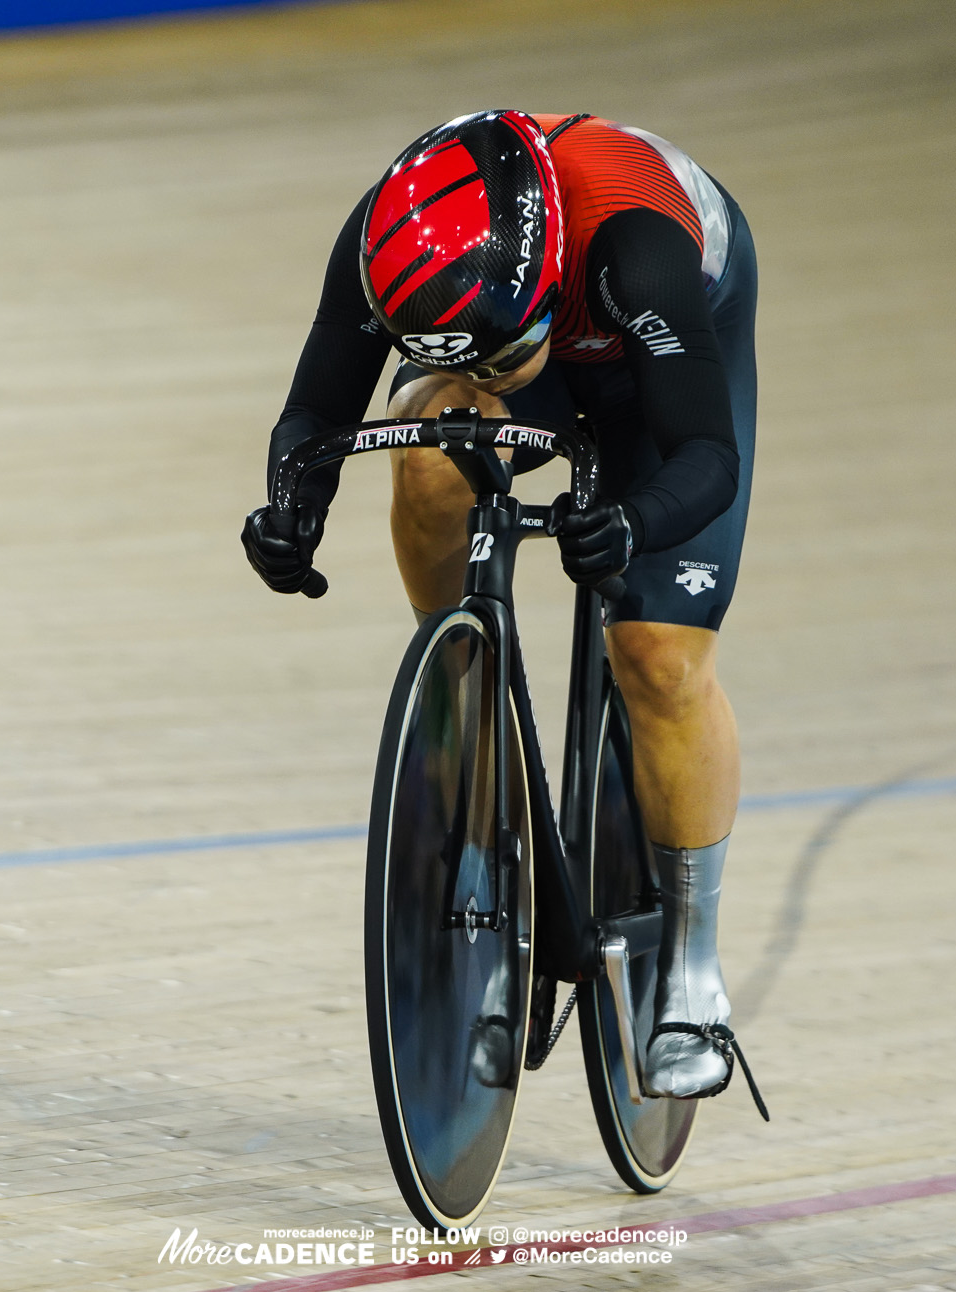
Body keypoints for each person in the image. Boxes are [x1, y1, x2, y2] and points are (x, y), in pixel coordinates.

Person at [241, 110, 758, 1099]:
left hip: (662, 327)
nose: (482, 381)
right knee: (431, 445)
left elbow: (707, 456)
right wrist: (291, 509)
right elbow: (316, 406)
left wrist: (636, 523)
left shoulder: (637, 250)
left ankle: (690, 963)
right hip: (519, 306)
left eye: (494, 357)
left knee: (655, 654)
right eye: (461, 358)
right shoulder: (391, 233)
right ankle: (466, 686)